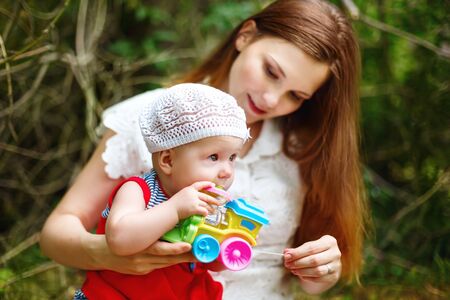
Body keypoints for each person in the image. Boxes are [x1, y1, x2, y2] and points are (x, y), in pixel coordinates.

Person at [40, 0, 368, 298]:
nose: (271, 100)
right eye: (270, 72)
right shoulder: (148, 119)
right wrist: (104, 253)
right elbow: (56, 233)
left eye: (296, 95)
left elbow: (307, 280)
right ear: (245, 36)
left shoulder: (304, 149)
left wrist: (323, 268)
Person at [75, 83, 250, 299]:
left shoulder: (207, 203)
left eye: (232, 158)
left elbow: (204, 259)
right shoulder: (139, 190)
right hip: (121, 293)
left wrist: (224, 251)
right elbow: (119, 239)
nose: (226, 171)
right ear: (168, 160)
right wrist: (174, 209)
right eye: (213, 157)